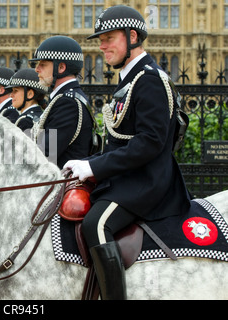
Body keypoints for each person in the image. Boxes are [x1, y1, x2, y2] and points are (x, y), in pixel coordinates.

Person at [63, 5, 192, 299]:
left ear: (132, 36)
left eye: (109, 37)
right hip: (127, 179)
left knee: (96, 223)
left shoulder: (150, 79)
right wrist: (86, 163)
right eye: (101, 39)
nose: (102, 45)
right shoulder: (130, 80)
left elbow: (149, 143)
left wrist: (95, 168)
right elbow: (120, 143)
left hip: (147, 182)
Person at [30, 36, 95, 168]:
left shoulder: (67, 102)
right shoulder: (64, 98)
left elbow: (44, 154)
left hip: (62, 185)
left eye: (42, 64)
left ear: (61, 67)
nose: (37, 69)